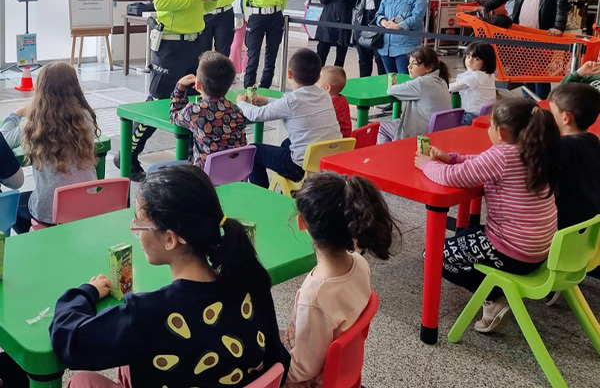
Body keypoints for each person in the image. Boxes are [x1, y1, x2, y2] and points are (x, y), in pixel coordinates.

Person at [50, 165, 290, 388]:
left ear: (170, 239)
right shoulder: (252, 281)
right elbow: (277, 358)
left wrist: (86, 292)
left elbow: (68, 339)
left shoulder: (147, 313)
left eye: (139, 224)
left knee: (83, 380)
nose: (135, 231)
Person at [414, 98, 559, 333]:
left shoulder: (502, 156)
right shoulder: (538, 149)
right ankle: (494, 286)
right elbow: (480, 164)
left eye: (491, 125)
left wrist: (427, 165)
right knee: (469, 234)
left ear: (500, 132)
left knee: (432, 254)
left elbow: (453, 178)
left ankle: (493, 296)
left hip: (512, 250)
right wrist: (452, 158)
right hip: (541, 250)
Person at [115, 0, 224, 181]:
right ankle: (127, 154)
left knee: (195, 102)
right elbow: (162, 2)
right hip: (171, 46)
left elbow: (200, 6)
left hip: (197, 43)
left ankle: (189, 161)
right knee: (159, 103)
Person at [281, 172, 399, 388]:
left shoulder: (315, 297)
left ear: (302, 223)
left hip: (314, 380)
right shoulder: (360, 264)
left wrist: (270, 367)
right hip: (344, 372)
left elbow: (302, 369)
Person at [0, 62, 99, 233]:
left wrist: (17, 113)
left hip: (49, 213)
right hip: (87, 206)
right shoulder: (86, 117)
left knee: (15, 206)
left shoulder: (35, 124)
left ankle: (36, 239)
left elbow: (4, 139)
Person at [483, 0, 572, 99]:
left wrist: (558, 26)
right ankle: (528, 106)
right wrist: (488, 6)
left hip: (543, 33)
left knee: (539, 75)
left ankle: (541, 108)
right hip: (520, 31)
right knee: (523, 71)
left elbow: (562, 2)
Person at [236, 49, 340, 188]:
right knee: (287, 143)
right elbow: (292, 104)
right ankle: (287, 188)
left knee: (253, 151)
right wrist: (266, 100)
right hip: (328, 161)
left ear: (289, 74)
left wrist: (241, 103)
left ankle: (262, 196)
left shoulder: (291, 101)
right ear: (318, 77)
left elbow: (256, 115)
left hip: (301, 167)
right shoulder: (324, 95)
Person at [169, 52, 246, 168]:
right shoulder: (237, 111)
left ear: (198, 84)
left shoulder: (194, 112)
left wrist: (180, 86)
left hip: (202, 180)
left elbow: (174, 115)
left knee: (154, 171)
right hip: (234, 176)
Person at [548, 82, 600, 229]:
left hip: (565, 224)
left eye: (552, 112)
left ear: (566, 118)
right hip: (594, 222)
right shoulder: (595, 141)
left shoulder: (559, 147)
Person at [377, 46, 451, 143]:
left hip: (422, 133)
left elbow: (391, 90)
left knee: (382, 127)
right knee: (396, 122)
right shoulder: (442, 80)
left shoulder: (421, 83)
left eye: (415, 64)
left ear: (428, 68)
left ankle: (389, 155)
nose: (409, 67)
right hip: (441, 131)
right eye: (409, 63)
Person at [349, 0, 397, 77]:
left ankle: (381, 87)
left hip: (379, 20)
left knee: (380, 58)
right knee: (363, 58)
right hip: (362, 19)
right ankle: (364, 87)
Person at [375, 0, 428, 74]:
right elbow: (379, 14)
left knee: (404, 78)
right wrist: (384, 22)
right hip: (386, 47)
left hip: (406, 47)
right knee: (390, 78)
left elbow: (417, 17)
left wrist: (399, 26)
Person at [315, 0, 355, 68]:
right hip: (328, 20)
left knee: (341, 56)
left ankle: (336, 80)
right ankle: (318, 77)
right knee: (321, 53)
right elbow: (323, 0)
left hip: (343, 21)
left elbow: (353, 0)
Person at [448, 42, 497, 125]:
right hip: (485, 114)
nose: (470, 61)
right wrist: (448, 79)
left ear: (487, 61)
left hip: (471, 115)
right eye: (468, 56)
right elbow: (461, 81)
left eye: (476, 59)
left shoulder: (476, 77)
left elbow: (451, 88)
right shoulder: (488, 75)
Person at [317, 66, 351, 138]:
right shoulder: (342, 98)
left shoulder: (328, 105)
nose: (317, 85)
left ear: (328, 87)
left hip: (336, 140)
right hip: (346, 138)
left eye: (318, 82)